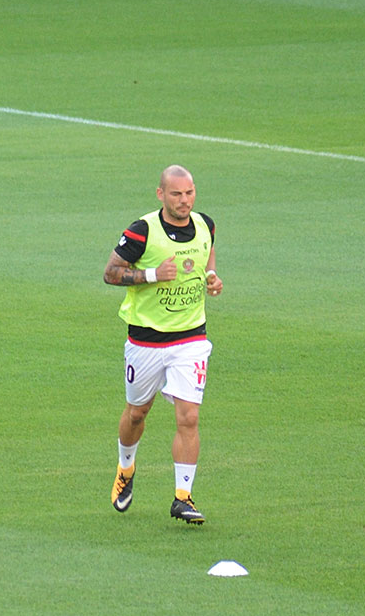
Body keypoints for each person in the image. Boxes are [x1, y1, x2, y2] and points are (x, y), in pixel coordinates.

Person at [103, 165, 224, 525]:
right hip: (146, 340)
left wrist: (213, 277)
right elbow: (110, 272)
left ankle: (183, 496)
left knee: (189, 416)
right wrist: (153, 274)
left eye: (188, 193)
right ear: (160, 195)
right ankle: (126, 467)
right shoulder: (142, 231)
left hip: (191, 337)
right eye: (176, 194)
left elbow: (207, 254)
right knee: (137, 413)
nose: (184, 201)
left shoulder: (206, 224)